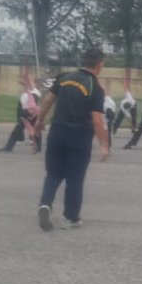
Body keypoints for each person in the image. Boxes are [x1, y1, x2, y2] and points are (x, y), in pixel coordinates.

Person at [34, 47, 111, 231]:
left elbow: (47, 100)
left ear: (83, 61)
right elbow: (97, 119)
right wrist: (104, 144)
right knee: (75, 178)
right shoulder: (95, 87)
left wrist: (39, 121)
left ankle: (45, 204)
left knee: (53, 173)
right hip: (79, 136)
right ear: (99, 65)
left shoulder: (64, 77)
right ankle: (70, 217)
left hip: (57, 132)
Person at [0, 74, 43, 153]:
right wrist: (25, 83)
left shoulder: (35, 92)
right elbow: (28, 86)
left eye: (31, 82)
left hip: (33, 114)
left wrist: (29, 79)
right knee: (17, 130)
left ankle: (38, 147)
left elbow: (31, 84)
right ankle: (8, 148)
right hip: (25, 114)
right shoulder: (28, 92)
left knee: (36, 131)